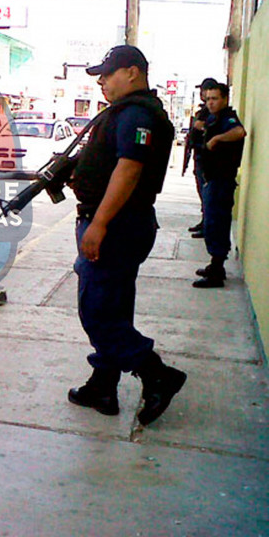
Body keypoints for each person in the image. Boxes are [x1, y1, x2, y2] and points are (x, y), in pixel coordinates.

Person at [67, 45, 186, 426]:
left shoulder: (138, 113)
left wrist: (99, 224)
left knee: (98, 311)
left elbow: (129, 168)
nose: (101, 82)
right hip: (119, 223)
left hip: (117, 225)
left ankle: (156, 374)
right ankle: (103, 383)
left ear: (132, 72)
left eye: (108, 74)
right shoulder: (128, 112)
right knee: (112, 306)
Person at [192, 82, 247, 288]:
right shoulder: (214, 118)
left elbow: (240, 132)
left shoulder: (228, 118)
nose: (211, 103)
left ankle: (216, 270)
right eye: (208, 99)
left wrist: (216, 139)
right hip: (212, 178)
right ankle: (215, 265)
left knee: (217, 223)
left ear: (224, 99)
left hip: (221, 180)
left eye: (215, 99)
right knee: (212, 223)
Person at [183, 77, 220, 237]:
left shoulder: (214, 112)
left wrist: (202, 126)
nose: (201, 94)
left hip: (208, 158)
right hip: (199, 155)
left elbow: (218, 130)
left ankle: (208, 225)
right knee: (202, 191)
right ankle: (204, 221)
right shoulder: (203, 110)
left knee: (207, 194)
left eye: (204, 91)